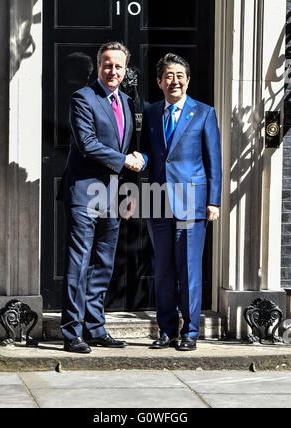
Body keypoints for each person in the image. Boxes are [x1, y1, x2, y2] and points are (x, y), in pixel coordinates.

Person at [58, 41, 145, 353]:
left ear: (125, 70)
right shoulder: (83, 98)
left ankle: (95, 327)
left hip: (113, 196)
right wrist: (125, 161)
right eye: (107, 65)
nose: (113, 71)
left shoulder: (125, 100)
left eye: (118, 66)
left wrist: (133, 180)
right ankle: (71, 332)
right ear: (98, 67)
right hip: (83, 192)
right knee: (78, 263)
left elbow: (132, 148)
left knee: (103, 264)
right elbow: (87, 144)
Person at [141, 53, 222, 351]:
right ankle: (165, 331)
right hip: (157, 200)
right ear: (159, 81)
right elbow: (148, 154)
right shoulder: (150, 113)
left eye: (179, 76)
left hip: (192, 200)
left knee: (188, 268)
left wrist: (213, 201)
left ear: (187, 80)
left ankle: (189, 332)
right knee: (162, 270)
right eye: (168, 76)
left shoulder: (203, 113)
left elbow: (214, 159)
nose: (174, 81)